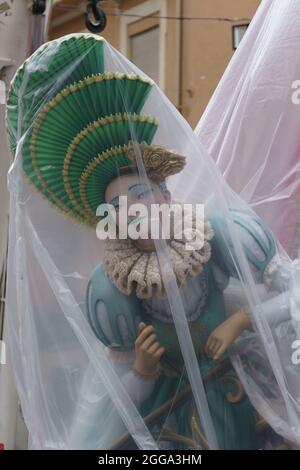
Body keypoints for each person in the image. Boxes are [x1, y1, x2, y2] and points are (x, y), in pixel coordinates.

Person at [5, 33, 299, 450]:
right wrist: (142, 371)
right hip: (171, 418)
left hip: (240, 391)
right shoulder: (113, 288)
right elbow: (112, 399)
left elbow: (291, 292)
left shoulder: (213, 235)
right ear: (112, 218)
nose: (155, 203)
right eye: (135, 199)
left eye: (157, 190)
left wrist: (245, 320)